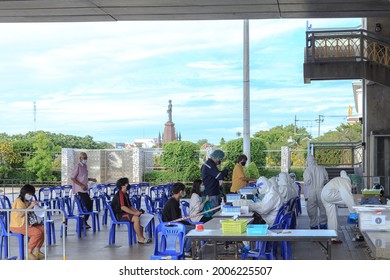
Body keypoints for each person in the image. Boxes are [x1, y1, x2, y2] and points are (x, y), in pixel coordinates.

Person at [10, 184, 45, 260]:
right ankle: (29, 252)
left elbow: (30, 210)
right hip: (17, 226)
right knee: (37, 233)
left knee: (43, 229)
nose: (30, 195)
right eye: (29, 193)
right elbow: (21, 214)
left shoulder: (26, 201)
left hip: (26, 224)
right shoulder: (18, 201)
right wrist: (31, 206)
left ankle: (37, 250)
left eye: (32, 194)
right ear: (24, 192)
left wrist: (36, 205)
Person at [111, 177, 151, 244]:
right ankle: (140, 238)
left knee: (140, 216)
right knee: (136, 218)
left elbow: (130, 206)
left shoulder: (125, 194)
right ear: (123, 185)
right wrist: (134, 214)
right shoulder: (120, 194)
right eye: (127, 183)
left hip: (124, 214)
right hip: (119, 215)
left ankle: (141, 237)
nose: (128, 185)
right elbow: (123, 207)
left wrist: (137, 212)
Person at [321, 170, 356, 244]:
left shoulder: (339, 179)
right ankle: (355, 211)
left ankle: (332, 237)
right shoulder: (346, 182)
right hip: (329, 194)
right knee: (350, 199)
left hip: (323, 194)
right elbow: (347, 196)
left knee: (331, 217)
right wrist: (353, 212)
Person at [162, 182, 194, 256]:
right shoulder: (172, 202)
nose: (184, 192)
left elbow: (178, 217)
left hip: (175, 223)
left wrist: (187, 222)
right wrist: (186, 222)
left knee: (192, 227)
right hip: (171, 225)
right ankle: (186, 249)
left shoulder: (175, 200)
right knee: (193, 230)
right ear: (180, 191)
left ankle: (187, 248)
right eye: (183, 191)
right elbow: (175, 219)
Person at [71, 152, 97, 229]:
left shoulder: (85, 166)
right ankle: (83, 222)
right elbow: (73, 178)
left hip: (85, 190)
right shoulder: (78, 166)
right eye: (84, 158)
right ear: (80, 158)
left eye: (86, 158)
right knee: (87, 205)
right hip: (79, 190)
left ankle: (83, 222)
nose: (85, 159)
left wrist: (91, 179)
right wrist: (81, 185)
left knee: (89, 205)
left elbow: (83, 177)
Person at [303, 154, 329, 229]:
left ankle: (313, 225)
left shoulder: (307, 170)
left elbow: (307, 182)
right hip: (321, 191)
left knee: (312, 209)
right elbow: (326, 180)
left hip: (311, 192)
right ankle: (323, 224)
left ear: (308, 161)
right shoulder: (322, 168)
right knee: (323, 208)